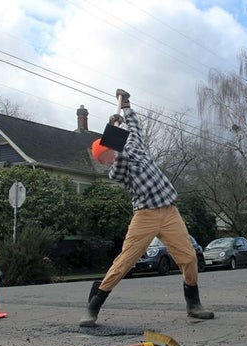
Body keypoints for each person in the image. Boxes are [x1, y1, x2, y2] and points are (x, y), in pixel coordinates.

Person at [79, 89, 214, 327]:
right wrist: (113, 132)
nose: (106, 161)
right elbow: (121, 159)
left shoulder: (136, 146)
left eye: (105, 156)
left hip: (170, 212)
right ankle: (94, 306)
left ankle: (193, 304)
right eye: (103, 160)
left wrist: (127, 106)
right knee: (125, 261)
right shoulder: (116, 170)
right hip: (145, 216)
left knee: (189, 257)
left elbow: (135, 128)